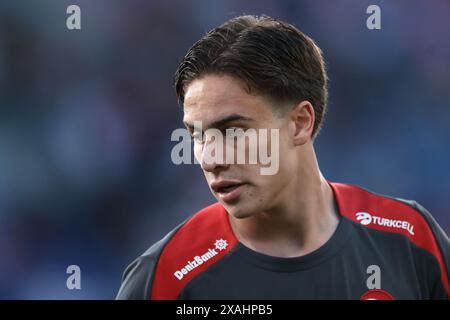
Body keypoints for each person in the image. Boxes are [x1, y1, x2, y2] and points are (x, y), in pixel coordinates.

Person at [116, 15, 449, 300]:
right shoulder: (167, 276)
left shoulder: (410, 238)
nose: (210, 158)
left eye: (233, 130)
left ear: (300, 123)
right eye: (198, 136)